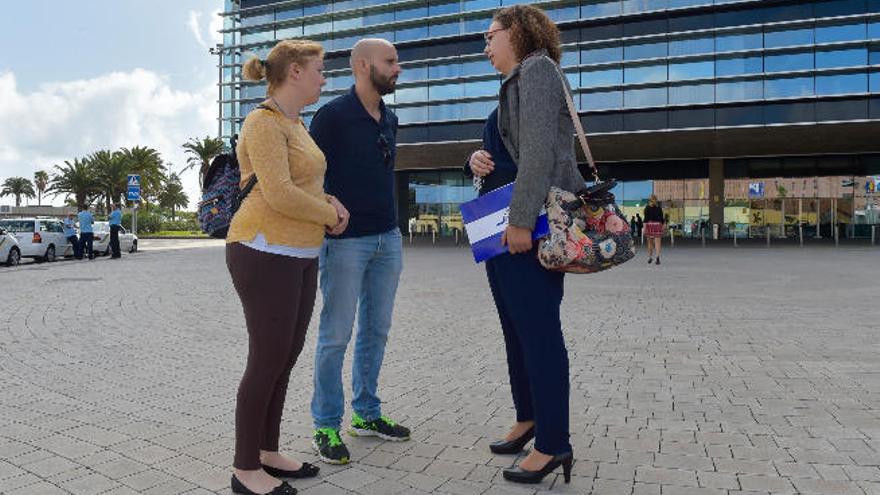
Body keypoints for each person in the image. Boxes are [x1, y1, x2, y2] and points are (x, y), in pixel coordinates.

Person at [225, 39, 349, 495]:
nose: (324, 77)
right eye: (319, 69)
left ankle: (267, 451)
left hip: (299, 253)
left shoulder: (298, 125)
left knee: (285, 355)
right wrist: (329, 214)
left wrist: (330, 202)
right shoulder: (263, 121)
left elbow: (305, 186)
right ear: (294, 71)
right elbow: (277, 193)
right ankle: (244, 467)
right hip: (263, 249)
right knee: (266, 358)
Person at [464, 5, 579, 485]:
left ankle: (554, 444)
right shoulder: (511, 86)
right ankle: (529, 418)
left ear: (517, 32)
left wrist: (518, 221)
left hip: (524, 226)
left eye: (490, 35)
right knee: (516, 330)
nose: (486, 45)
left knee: (538, 332)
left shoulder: (537, 70)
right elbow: (512, 151)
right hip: (499, 229)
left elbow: (537, 153)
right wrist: (476, 160)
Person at [308, 38, 409, 465]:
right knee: (335, 336)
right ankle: (325, 424)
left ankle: (366, 414)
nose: (397, 69)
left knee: (376, 330)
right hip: (345, 243)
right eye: (391, 62)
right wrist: (328, 203)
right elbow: (309, 176)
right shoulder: (331, 117)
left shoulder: (391, 118)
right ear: (363, 66)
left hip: (389, 238)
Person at [644, 195, 665, 264]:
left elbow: (645, 220)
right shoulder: (659, 208)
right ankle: (657, 257)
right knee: (657, 243)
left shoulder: (647, 208)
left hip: (649, 225)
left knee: (650, 243)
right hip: (658, 226)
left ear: (649, 200)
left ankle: (650, 257)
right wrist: (662, 227)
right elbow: (662, 219)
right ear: (656, 200)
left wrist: (644, 229)